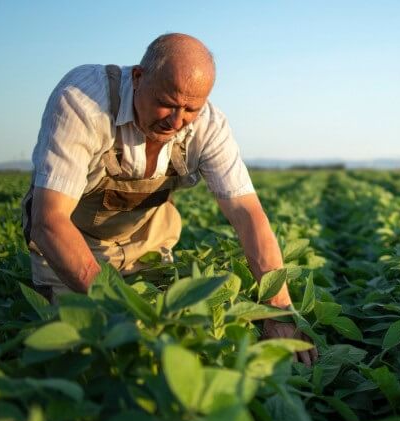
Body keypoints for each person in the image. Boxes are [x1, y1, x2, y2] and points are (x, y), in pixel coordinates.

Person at [20, 33, 318, 365]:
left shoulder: (209, 126)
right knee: (86, 351)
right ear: (138, 77)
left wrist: (278, 311)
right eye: (167, 103)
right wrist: (122, 311)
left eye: (191, 109)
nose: (176, 121)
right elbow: (49, 222)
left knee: (181, 345)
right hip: (72, 247)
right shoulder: (83, 100)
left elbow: (247, 215)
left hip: (147, 245)